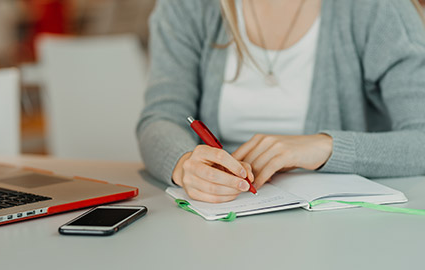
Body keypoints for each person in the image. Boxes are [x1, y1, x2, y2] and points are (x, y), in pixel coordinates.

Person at [137, 0, 425, 203]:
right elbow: (161, 117)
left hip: (338, 230)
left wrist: (324, 146)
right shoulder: (187, 7)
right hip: (223, 214)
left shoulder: (378, 8)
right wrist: (185, 164)